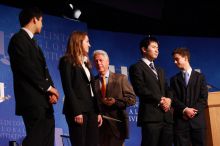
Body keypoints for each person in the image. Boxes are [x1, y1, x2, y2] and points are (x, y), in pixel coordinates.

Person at [8, 7, 59, 146]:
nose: (42, 24)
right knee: (35, 140)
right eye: (41, 20)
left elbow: (43, 70)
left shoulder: (34, 43)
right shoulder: (18, 40)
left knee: (47, 140)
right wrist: (48, 88)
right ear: (34, 19)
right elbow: (28, 69)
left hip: (44, 102)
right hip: (32, 101)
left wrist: (52, 90)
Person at [59, 31, 102, 146]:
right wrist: (76, 111)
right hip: (78, 110)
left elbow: (91, 88)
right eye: (87, 42)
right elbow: (68, 87)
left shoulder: (86, 63)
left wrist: (98, 112)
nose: (89, 45)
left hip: (91, 110)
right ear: (78, 42)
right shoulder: (66, 61)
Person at [129, 36, 173, 146]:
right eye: (153, 47)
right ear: (144, 49)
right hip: (151, 117)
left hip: (166, 117)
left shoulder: (160, 70)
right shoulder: (136, 67)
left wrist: (169, 99)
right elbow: (140, 89)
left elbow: (167, 88)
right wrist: (161, 100)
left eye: (157, 47)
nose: (157, 50)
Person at [93, 50, 136, 146]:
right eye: (96, 61)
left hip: (117, 126)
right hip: (99, 128)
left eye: (101, 60)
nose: (99, 63)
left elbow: (132, 99)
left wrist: (116, 102)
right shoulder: (92, 81)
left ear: (107, 62)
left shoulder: (121, 78)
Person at [170, 47, 208, 146]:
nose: (174, 62)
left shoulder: (200, 77)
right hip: (180, 123)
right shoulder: (173, 80)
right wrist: (185, 110)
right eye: (174, 59)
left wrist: (192, 111)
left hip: (197, 123)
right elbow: (173, 99)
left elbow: (203, 99)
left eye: (176, 59)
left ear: (185, 58)